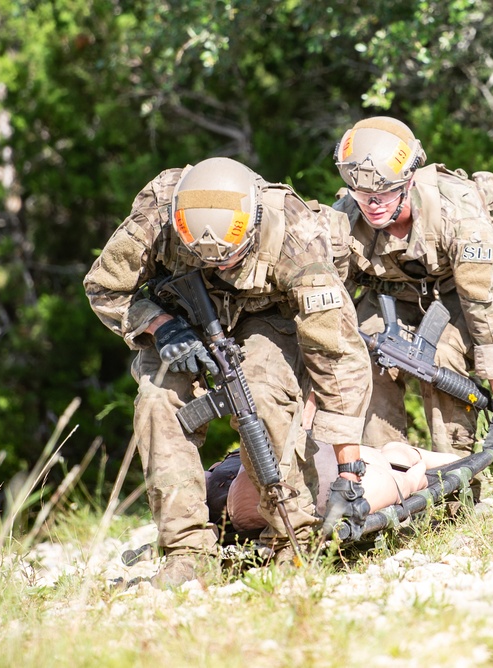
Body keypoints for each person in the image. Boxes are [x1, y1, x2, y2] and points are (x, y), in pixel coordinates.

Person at [84, 157, 372, 588]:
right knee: (156, 400)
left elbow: (337, 357)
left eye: (230, 258)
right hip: (183, 321)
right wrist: (160, 326)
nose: (219, 266)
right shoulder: (156, 218)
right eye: (205, 259)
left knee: (261, 393)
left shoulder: (297, 238)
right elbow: (104, 286)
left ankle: (292, 541)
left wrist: (350, 474)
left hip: (270, 316)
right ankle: (186, 552)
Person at [332, 116, 493, 467]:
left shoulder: (458, 213)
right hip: (389, 298)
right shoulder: (344, 221)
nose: (372, 204)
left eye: (384, 194)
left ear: (407, 184)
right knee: (364, 358)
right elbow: (327, 306)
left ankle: (458, 477)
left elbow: (491, 310)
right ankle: (389, 475)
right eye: (362, 195)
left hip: (455, 297)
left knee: (442, 358)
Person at [210, 441, 461, 534]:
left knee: (401, 462)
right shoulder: (375, 477)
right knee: (406, 466)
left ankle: (454, 459)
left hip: (233, 481)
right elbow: (414, 478)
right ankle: (459, 459)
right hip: (334, 484)